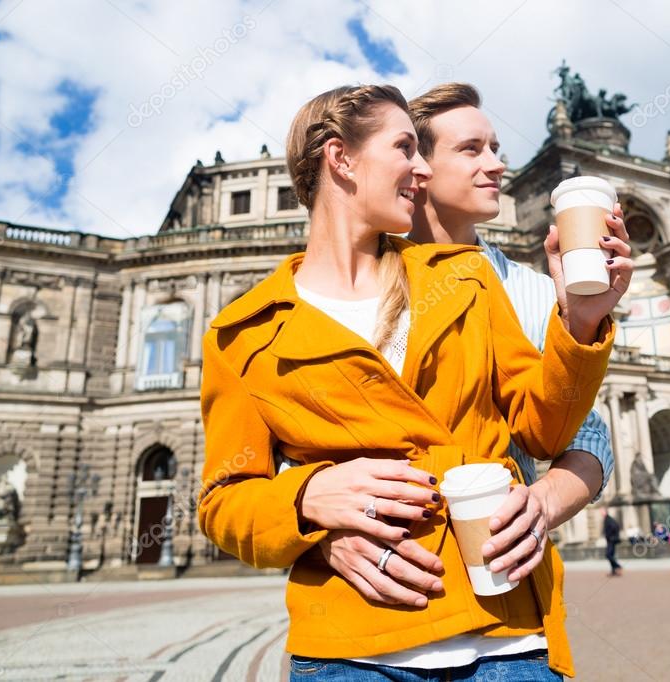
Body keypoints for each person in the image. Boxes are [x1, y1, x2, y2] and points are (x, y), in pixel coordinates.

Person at [197, 84, 630, 680]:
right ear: (340, 158)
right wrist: (304, 499)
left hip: (504, 637)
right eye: (406, 148)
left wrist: (581, 322)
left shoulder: (466, 278)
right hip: (350, 648)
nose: (421, 169)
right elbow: (225, 499)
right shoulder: (242, 333)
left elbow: (546, 429)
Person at [297, 83, 617, 608]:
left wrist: (539, 505)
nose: (496, 165)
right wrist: (321, 526)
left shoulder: (535, 292)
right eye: (472, 149)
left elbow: (588, 439)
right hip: (368, 605)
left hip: (497, 583)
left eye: (495, 149)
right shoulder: (344, 285)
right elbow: (293, 450)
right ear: (414, 166)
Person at [603, 508, 622, 577]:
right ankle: (614, 571)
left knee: (608, 555)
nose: (601, 513)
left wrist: (610, 536)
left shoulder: (608, 519)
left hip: (611, 540)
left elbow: (614, 527)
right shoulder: (608, 519)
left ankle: (618, 566)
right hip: (611, 540)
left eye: (602, 511)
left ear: (605, 512)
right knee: (611, 555)